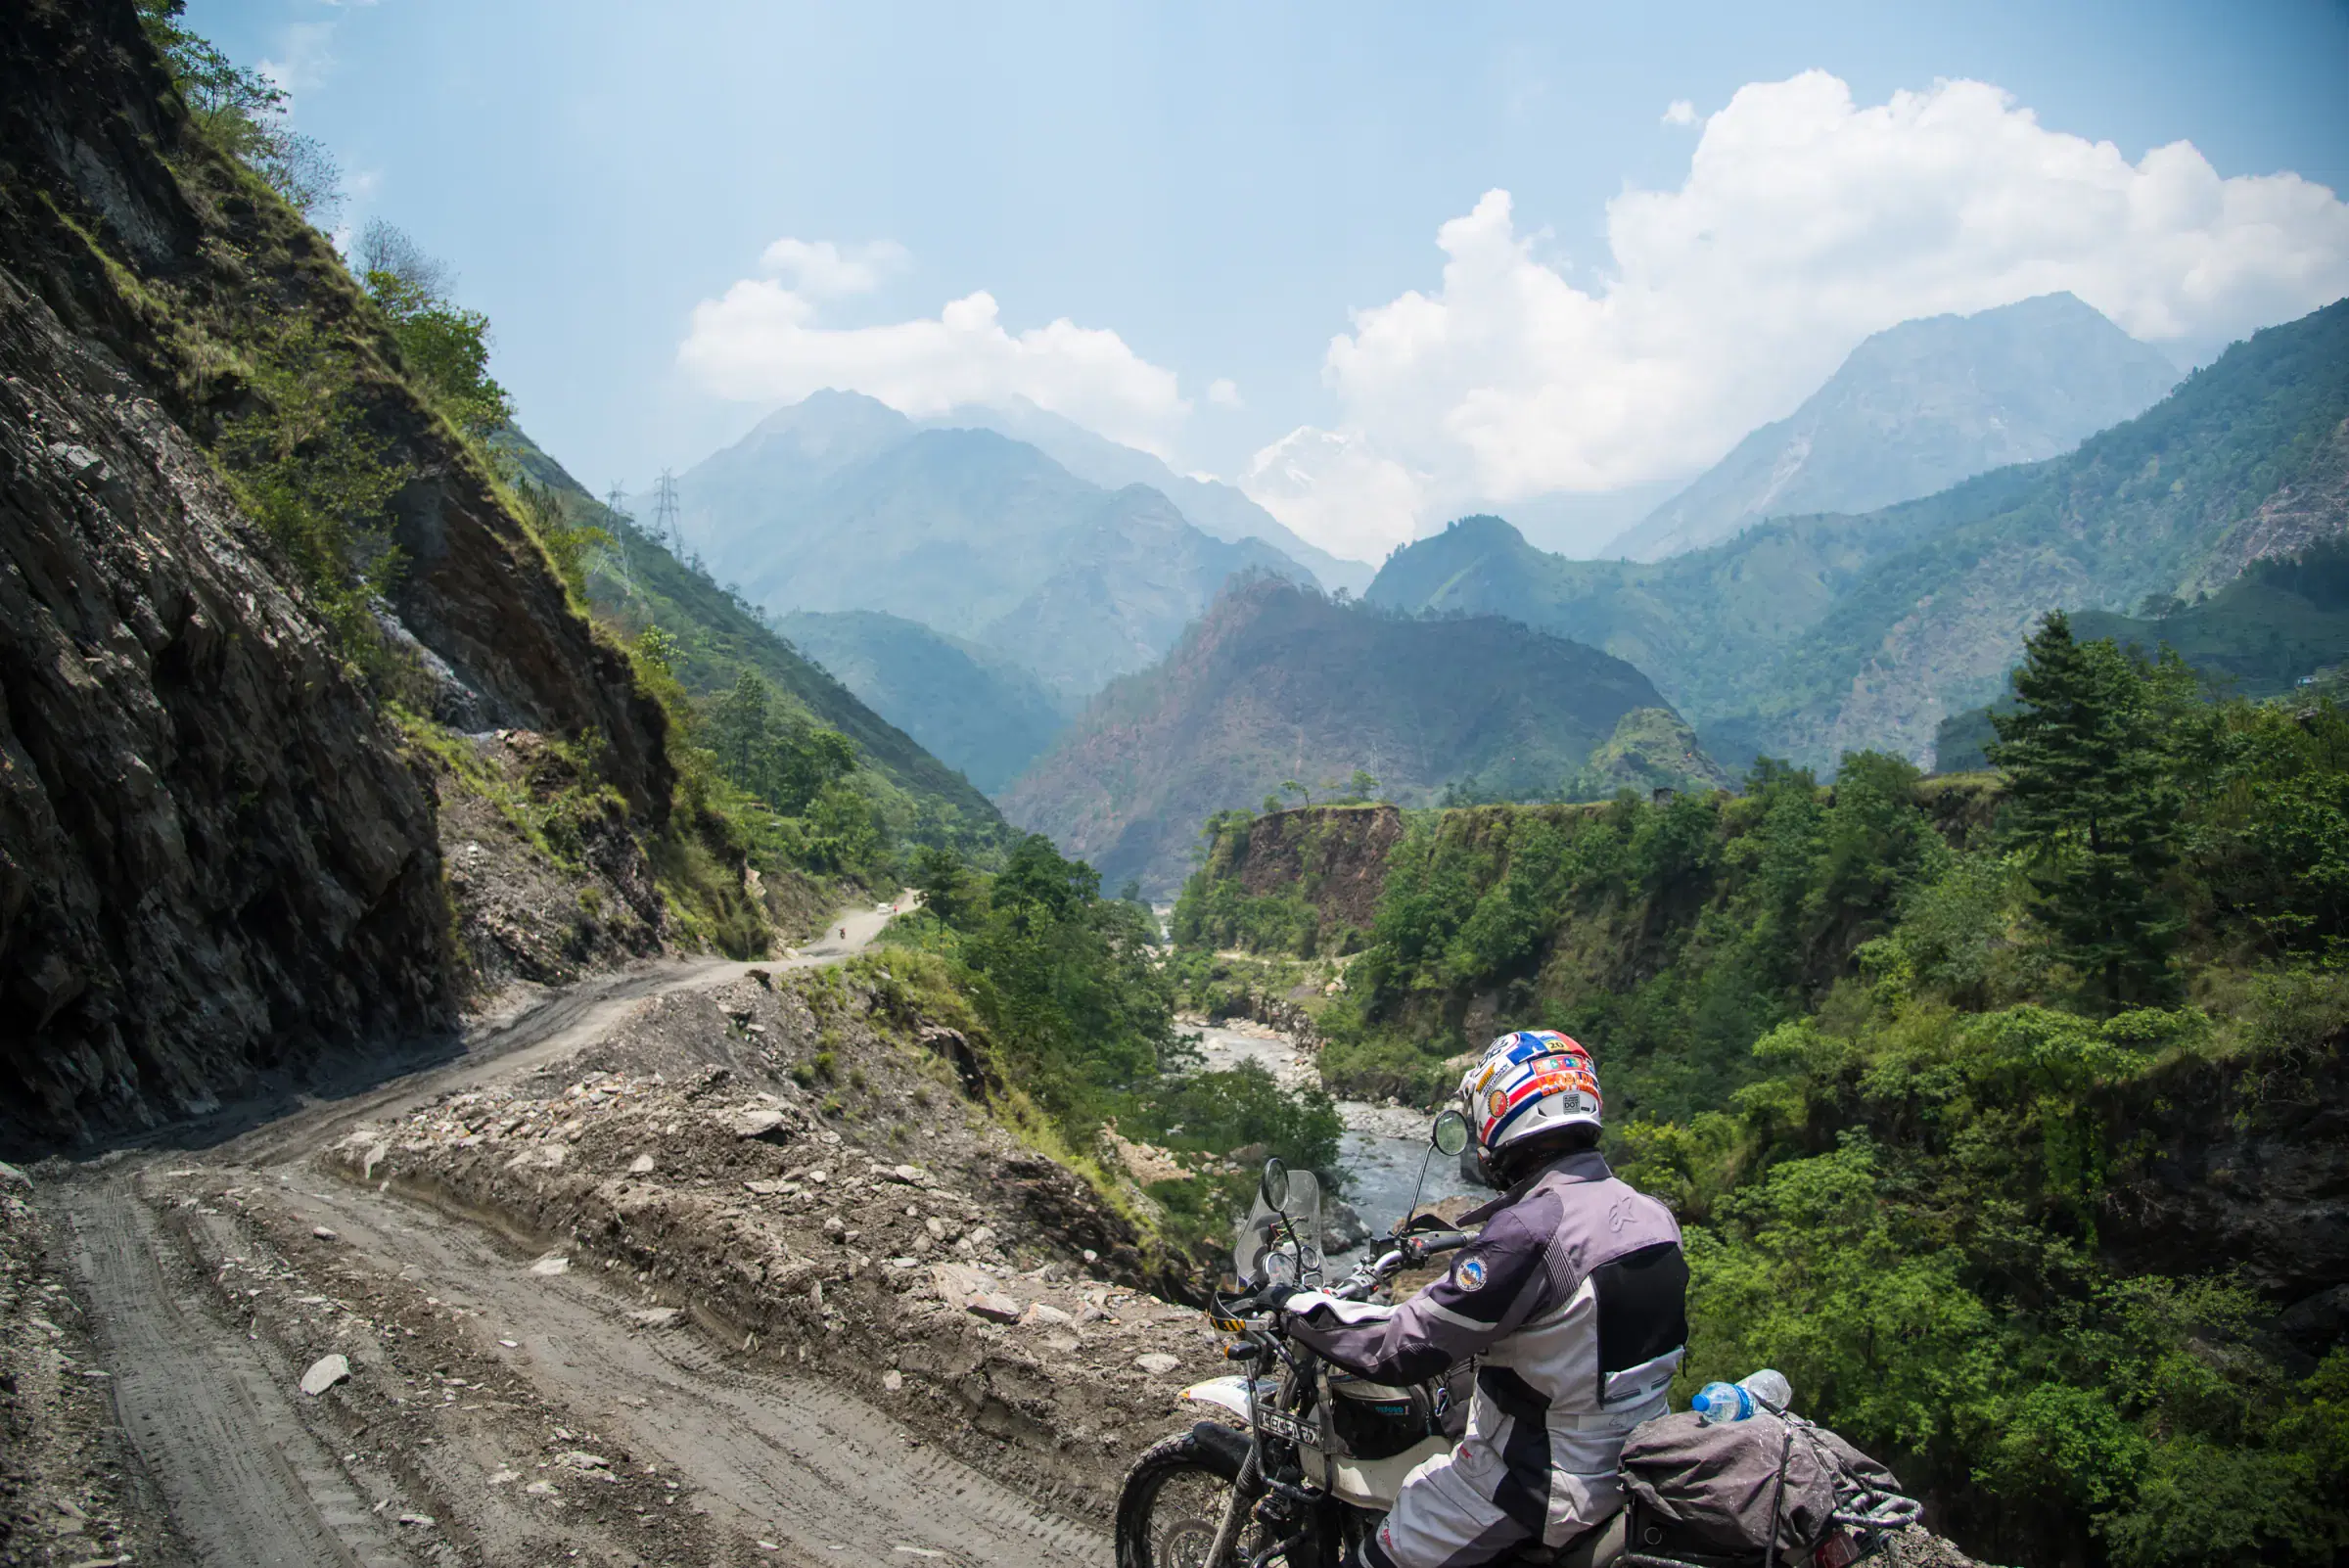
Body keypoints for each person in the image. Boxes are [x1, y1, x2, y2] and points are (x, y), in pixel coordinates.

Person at [1270, 1030, 1689, 1568]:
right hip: (1632, 1462)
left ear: (1506, 1109)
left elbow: (1400, 1350)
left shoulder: (1529, 1233)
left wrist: (1296, 1309)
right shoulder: (1653, 1215)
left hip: (1538, 1485)